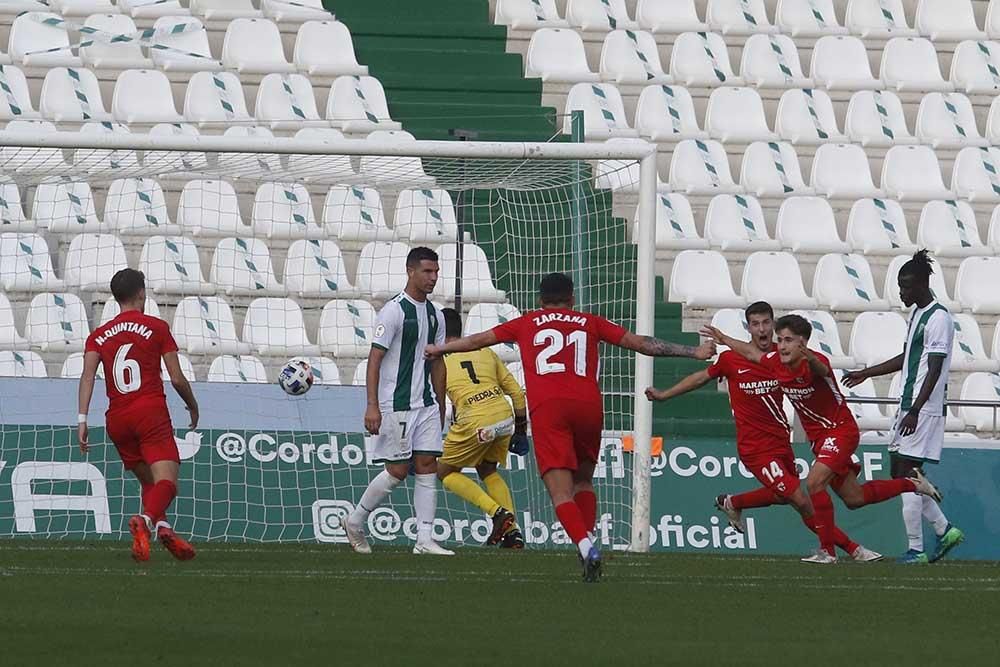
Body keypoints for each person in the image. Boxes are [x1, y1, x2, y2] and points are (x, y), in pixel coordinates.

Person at [426, 272, 716, 582]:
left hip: (549, 409)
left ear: (540, 300)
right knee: (583, 483)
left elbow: (477, 340)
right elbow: (642, 343)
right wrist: (693, 351)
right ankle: (586, 541)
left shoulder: (525, 323)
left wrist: (440, 349)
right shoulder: (589, 321)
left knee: (560, 492)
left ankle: (585, 544)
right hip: (589, 406)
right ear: (572, 299)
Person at [647, 302, 881, 562]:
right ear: (748, 327)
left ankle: (734, 502)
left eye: (766, 323)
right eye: (755, 324)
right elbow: (701, 377)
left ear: (773, 324)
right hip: (755, 448)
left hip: (781, 441)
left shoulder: (782, 358)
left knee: (786, 498)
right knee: (802, 499)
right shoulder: (731, 359)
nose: (762, 329)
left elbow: (813, 381)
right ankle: (852, 549)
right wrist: (665, 394)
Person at [702, 314, 943, 564]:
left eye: (788, 341)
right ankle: (912, 483)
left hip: (840, 430)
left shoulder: (817, 363)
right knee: (854, 498)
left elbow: (821, 368)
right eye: (780, 340)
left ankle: (827, 552)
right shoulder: (775, 361)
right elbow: (752, 354)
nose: (782, 345)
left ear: (802, 343)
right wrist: (724, 339)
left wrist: (810, 357)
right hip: (819, 439)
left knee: (814, 483)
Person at [843, 250, 964, 564]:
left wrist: (915, 410)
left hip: (920, 409)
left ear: (923, 283)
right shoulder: (918, 315)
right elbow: (908, 358)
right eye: (900, 286)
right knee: (902, 474)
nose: (902, 292)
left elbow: (935, 368)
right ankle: (943, 529)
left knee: (906, 475)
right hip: (910, 406)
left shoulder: (939, 318)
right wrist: (865, 373)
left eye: (907, 286)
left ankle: (918, 548)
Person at [77, 268, 198, 563]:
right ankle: (144, 521)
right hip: (149, 413)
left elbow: (88, 376)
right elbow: (178, 378)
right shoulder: (156, 327)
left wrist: (82, 419)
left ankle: (164, 529)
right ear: (142, 294)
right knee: (168, 484)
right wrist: (193, 405)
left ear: (116, 298)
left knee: (150, 484)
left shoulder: (98, 336)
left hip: (116, 419)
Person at [345, 247, 453, 556]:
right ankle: (355, 521)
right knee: (397, 471)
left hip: (428, 404)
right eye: (426, 272)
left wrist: (441, 402)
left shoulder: (435, 314)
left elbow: (438, 361)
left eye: (435, 272)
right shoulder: (393, 311)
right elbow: (374, 359)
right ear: (411, 272)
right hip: (397, 402)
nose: (432, 278)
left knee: (428, 465)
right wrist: (371, 405)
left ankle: (425, 539)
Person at [437, 308, 529, 549]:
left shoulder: (440, 359)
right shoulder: (486, 352)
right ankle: (513, 534)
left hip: (474, 420)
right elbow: (518, 394)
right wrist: (521, 431)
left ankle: (497, 513)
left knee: (444, 471)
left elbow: (434, 403)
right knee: (487, 469)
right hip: (503, 417)